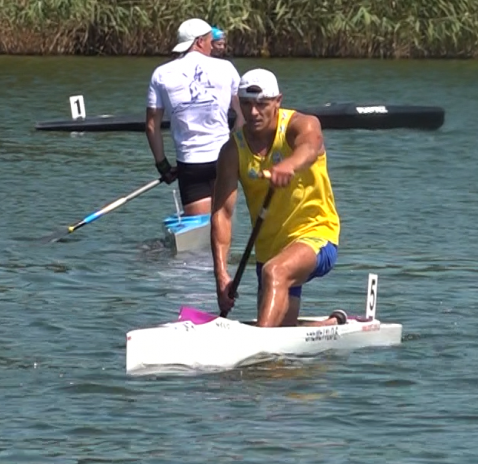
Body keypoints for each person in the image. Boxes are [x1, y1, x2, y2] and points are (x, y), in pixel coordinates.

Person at [211, 68, 341, 327]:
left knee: (275, 272)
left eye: (262, 104)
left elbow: (310, 146)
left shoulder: (301, 124)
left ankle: (258, 352)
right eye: (246, 105)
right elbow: (222, 215)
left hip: (317, 236)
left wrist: (289, 165)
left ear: (278, 101)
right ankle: (332, 325)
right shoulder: (232, 150)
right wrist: (221, 275)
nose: (254, 113)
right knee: (282, 332)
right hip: (269, 251)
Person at [146, 18, 241, 216]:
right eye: (209, 41)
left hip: (189, 164)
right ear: (199, 42)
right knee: (222, 221)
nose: (211, 46)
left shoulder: (161, 74)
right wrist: (234, 146)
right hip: (223, 158)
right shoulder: (226, 68)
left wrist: (162, 165)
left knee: (199, 230)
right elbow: (243, 116)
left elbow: (152, 126)